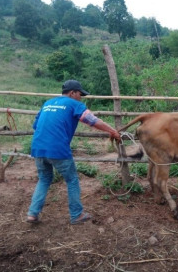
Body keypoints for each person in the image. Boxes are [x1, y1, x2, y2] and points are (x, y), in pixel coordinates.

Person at [26, 79, 120, 225]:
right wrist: (112, 131)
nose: (80, 97)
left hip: (38, 148)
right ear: (72, 93)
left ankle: (32, 213)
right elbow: (92, 120)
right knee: (72, 180)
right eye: (79, 94)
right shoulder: (74, 104)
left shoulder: (48, 103)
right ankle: (76, 215)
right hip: (57, 149)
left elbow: (36, 125)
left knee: (44, 179)